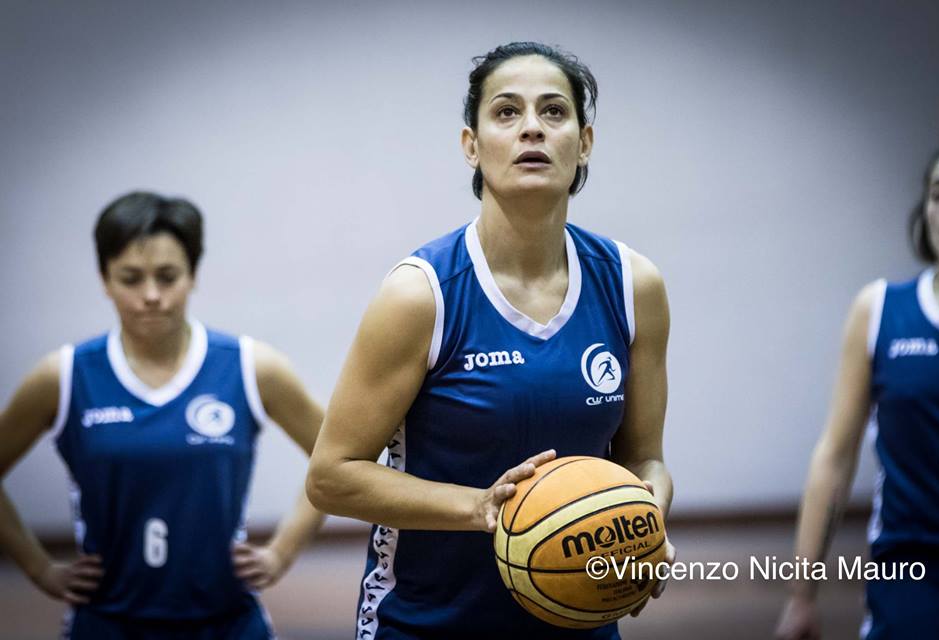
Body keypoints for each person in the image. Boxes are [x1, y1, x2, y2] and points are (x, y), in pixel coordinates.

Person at [306, 42, 674, 639]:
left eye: (554, 111)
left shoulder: (633, 285)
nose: (532, 127)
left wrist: (644, 519)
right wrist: (479, 508)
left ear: (584, 142)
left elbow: (645, 460)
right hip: (426, 622)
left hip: (580, 619)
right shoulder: (421, 294)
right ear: (471, 146)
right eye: (507, 112)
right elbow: (331, 475)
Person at [0, 191, 327, 639]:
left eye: (167, 276)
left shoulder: (253, 367)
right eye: (131, 278)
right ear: (104, 279)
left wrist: (282, 552)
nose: (151, 295)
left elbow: (335, 459)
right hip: (106, 623)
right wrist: (39, 569)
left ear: (193, 276)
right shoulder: (65, 376)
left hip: (228, 623)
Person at [775, 117, 939, 639]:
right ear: (924, 213)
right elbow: (835, 455)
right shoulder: (881, 310)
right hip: (912, 567)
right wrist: (801, 592)